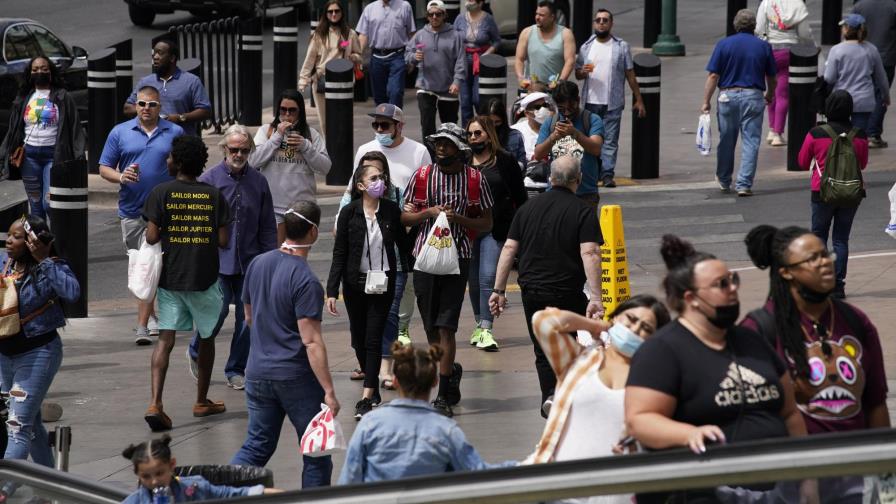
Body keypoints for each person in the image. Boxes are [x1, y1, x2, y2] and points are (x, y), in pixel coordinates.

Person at [625, 234, 812, 503]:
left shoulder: (751, 341)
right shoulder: (661, 351)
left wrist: (807, 478)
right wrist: (689, 433)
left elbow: (790, 412)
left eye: (733, 279)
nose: (733, 288)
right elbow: (640, 420)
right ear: (691, 299)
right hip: (701, 492)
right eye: (721, 284)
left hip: (776, 492)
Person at [742, 225, 888, 500]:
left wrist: (887, 481)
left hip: (853, 482)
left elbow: (876, 402)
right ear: (786, 271)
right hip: (788, 482)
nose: (825, 264)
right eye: (812, 259)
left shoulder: (856, 321)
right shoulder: (759, 329)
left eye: (826, 255)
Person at [231, 201, 340, 488]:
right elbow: (311, 341)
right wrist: (329, 391)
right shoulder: (306, 280)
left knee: (257, 446)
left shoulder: (257, 264)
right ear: (313, 232)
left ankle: (219, 493)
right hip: (295, 377)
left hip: (257, 373)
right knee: (315, 453)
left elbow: (248, 317)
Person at [490, 156, 604, 415]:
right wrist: (595, 296)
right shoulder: (582, 210)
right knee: (569, 341)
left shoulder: (527, 209)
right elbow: (590, 253)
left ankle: (550, 396)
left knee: (542, 347)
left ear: (551, 179)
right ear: (579, 179)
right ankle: (568, 393)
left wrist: (498, 290)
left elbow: (509, 248)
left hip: (532, 291)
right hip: (567, 291)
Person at [401, 123, 494, 417]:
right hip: (425, 260)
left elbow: (487, 223)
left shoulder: (475, 180)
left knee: (446, 327)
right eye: (438, 143)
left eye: (447, 143)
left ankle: (442, 394)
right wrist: (427, 213)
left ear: (458, 149)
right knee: (430, 327)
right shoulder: (422, 177)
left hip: (458, 260)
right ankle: (449, 370)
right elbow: (404, 216)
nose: (440, 148)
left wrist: (461, 220)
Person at [142, 135, 231, 432]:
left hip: (172, 278)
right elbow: (222, 240)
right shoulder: (214, 195)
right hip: (204, 279)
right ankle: (201, 400)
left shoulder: (160, 192)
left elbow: (152, 237)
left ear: (178, 162)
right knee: (206, 338)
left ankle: (155, 402)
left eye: (169, 157)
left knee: (165, 340)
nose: (166, 161)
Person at [526, 296, 670, 470]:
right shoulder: (579, 360)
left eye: (646, 328)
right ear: (615, 317)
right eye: (631, 319)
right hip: (556, 479)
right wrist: (595, 325)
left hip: (617, 484)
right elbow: (543, 321)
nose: (635, 329)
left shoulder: (652, 380)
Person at [184, 125, 278, 391]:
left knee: (248, 320)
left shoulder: (259, 182)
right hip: (217, 263)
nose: (239, 154)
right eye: (234, 149)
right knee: (217, 311)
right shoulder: (208, 180)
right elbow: (196, 226)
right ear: (224, 149)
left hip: (250, 262)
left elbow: (267, 225)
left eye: (244, 150)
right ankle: (195, 348)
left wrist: (269, 259)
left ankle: (236, 369)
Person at [338, 342, 513, 484]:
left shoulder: (370, 425)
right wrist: (529, 463)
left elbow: (349, 480)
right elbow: (479, 474)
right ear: (435, 382)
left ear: (395, 381)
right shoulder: (446, 431)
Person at [98, 85, 184, 345]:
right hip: (133, 210)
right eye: (142, 104)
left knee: (160, 265)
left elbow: (185, 166)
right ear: (135, 105)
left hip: (168, 210)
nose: (146, 109)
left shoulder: (175, 132)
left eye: (152, 105)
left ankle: (143, 325)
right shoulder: (120, 132)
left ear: (161, 107)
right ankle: (151, 317)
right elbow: (104, 168)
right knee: (143, 266)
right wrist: (121, 176)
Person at [344, 104, 431, 356]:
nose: (379, 130)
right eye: (376, 125)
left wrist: (416, 211)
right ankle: (375, 357)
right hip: (367, 240)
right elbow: (353, 191)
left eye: (385, 125)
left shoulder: (418, 151)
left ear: (399, 126)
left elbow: (425, 186)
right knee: (372, 307)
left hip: (403, 233)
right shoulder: (365, 150)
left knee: (398, 299)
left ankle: (391, 346)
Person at [326, 152, 408, 419]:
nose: (379, 181)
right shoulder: (349, 213)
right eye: (373, 178)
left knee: (374, 338)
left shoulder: (391, 211)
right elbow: (339, 253)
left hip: (383, 281)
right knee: (358, 339)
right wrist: (331, 291)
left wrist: (412, 270)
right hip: (354, 284)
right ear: (360, 185)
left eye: (381, 177)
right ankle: (373, 385)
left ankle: (367, 395)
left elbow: (403, 246)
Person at [0, 216, 79, 467]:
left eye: (16, 236)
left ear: (33, 242)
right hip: (3, 356)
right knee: (30, 423)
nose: (8, 240)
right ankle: (50, 484)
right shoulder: (5, 265)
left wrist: (44, 260)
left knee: (17, 426)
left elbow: (72, 293)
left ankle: (4, 489)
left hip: (37, 353)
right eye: (8, 235)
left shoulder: (51, 266)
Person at [796, 91, 869, 298]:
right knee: (841, 239)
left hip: (822, 190)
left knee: (818, 236)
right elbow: (862, 164)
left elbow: (802, 162)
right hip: (851, 192)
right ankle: (838, 285)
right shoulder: (860, 134)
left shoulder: (816, 133)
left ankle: (818, 282)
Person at [465, 116, 526, 352]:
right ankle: (479, 323)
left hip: (495, 228)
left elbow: (520, 197)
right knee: (473, 279)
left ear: (489, 135)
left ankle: (486, 327)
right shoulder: (464, 160)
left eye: (477, 133)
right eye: (470, 134)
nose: (473, 138)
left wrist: (518, 229)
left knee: (488, 276)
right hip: (468, 227)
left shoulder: (505, 161)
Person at [0, 56, 86, 222]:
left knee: (50, 204)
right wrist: (3, 155)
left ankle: (59, 242)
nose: (40, 72)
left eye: (44, 69)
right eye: (35, 69)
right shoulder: (24, 97)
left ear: (51, 72)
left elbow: (75, 129)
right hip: (29, 158)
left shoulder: (62, 97)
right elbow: (13, 130)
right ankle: (42, 245)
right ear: (30, 73)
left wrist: (78, 158)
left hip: (53, 157)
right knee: (36, 205)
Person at [702, 9, 777, 197]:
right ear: (754, 26)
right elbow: (772, 76)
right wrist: (769, 94)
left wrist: (706, 101)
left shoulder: (724, 44)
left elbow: (713, 75)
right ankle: (744, 184)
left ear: (736, 25)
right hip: (753, 95)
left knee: (727, 140)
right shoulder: (763, 46)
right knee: (751, 142)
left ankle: (724, 180)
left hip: (728, 96)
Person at [574, 9, 645, 188]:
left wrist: (639, 99)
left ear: (611, 24)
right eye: (598, 20)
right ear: (594, 24)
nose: (601, 23)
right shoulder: (586, 47)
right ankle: (593, 172)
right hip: (590, 102)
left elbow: (630, 74)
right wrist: (582, 72)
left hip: (612, 103)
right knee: (590, 139)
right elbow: (578, 74)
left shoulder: (621, 47)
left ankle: (607, 175)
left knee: (610, 141)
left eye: (605, 20)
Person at [250, 89, 331, 245]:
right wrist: (276, 138)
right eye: (283, 110)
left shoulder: (311, 135)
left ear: (300, 111)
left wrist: (306, 147)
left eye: (292, 110)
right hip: (273, 207)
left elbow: (325, 167)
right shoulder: (266, 131)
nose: (287, 115)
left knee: (298, 256)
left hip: (301, 208)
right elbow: (253, 161)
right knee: (278, 255)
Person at [121, 435, 281, 503]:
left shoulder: (194, 487)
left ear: (172, 465)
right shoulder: (134, 501)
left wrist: (288, 497)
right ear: (137, 475)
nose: (154, 481)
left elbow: (233, 494)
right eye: (146, 476)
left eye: (159, 473)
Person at [533, 81, 604, 210]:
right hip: (556, 192)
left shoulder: (591, 119)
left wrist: (575, 133)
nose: (566, 113)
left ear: (578, 100)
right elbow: (538, 155)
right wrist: (553, 137)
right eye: (561, 109)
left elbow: (596, 149)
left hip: (585, 194)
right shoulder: (550, 123)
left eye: (571, 107)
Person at [124, 36, 211, 137]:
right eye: (154, 53)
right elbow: (127, 108)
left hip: (181, 142)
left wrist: (179, 118)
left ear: (172, 58)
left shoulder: (191, 81)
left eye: (160, 53)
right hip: (150, 140)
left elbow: (205, 111)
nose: (155, 57)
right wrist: (148, 112)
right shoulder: (145, 81)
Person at [754, 0, 814, 147]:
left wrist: (766, 41)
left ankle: (771, 128)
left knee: (771, 91)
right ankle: (777, 133)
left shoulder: (766, 3)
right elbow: (805, 34)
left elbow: (760, 28)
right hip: (789, 51)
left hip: (770, 51)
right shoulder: (798, 5)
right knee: (783, 94)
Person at [298, 0, 362, 134]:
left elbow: (359, 55)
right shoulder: (319, 35)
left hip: (343, 80)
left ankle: (342, 152)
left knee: (342, 120)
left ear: (342, 13)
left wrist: (354, 57)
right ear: (326, 14)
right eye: (330, 11)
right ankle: (329, 152)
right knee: (325, 122)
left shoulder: (350, 34)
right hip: (322, 79)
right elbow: (310, 59)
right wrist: (303, 80)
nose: (334, 14)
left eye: (337, 11)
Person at [406, 0, 465, 139]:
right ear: (427, 16)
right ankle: (430, 158)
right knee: (427, 125)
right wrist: (414, 56)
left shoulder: (455, 36)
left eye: (438, 14)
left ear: (444, 15)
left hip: (448, 87)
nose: (434, 17)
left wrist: (457, 81)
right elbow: (407, 53)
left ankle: (449, 157)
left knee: (449, 127)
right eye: (430, 14)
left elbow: (460, 61)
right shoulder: (420, 35)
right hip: (425, 86)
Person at [824, 14, 890, 134]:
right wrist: (886, 97)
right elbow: (881, 78)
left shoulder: (836, 50)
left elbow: (829, 77)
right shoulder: (871, 49)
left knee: (841, 135)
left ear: (846, 30)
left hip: (841, 100)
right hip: (864, 100)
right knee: (859, 135)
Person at [356, 0, 416, 107]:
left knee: (395, 92)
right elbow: (363, 35)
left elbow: (411, 34)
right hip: (376, 57)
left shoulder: (404, 6)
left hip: (397, 56)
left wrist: (412, 59)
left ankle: (394, 122)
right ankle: (383, 122)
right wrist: (357, 55)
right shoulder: (369, 9)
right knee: (379, 97)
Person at [853, 0, 896, 148]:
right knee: (881, 95)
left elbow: (850, 29)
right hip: (886, 56)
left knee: (863, 90)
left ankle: (860, 130)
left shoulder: (860, 5)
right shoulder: (893, 6)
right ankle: (872, 133)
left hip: (862, 56)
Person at [453, 0, 500, 126]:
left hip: (481, 61)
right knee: (465, 101)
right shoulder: (460, 18)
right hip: (463, 60)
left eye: (472, 0)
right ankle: (467, 132)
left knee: (478, 99)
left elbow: (497, 41)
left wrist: (486, 54)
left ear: (480, 3)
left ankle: (483, 128)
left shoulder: (488, 19)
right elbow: (453, 39)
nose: (468, 2)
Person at [515, 1, 576, 89]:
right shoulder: (527, 32)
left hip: (554, 89)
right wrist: (521, 78)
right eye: (537, 14)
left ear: (552, 17)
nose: (537, 17)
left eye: (542, 15)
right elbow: (519, 59)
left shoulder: (565, 34)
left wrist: (560, 81)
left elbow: (570, 61)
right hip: (532, 89)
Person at [479, 98, 527, 167]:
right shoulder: (476, 136)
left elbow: (522, 162)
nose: (494, 126)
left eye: (497, 122)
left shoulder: (515, 136)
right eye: (490, 122)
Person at [511, 91, 552, 160]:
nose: (543, 109)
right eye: (537, 107)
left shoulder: (557, 127)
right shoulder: (516, 132)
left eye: (545, 105)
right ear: (527, 113)